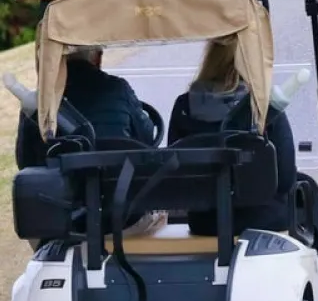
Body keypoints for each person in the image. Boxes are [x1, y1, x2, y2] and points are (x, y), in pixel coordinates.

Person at [167, 37, 296, 234]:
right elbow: (286, 178)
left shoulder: (184, 106)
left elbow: (175, 174)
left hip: (207, 223)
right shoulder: (264, 106)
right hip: (265, 221)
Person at [15, 45, 155, 169]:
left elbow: (25, 162)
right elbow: (146, 137)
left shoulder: (39, 102)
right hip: (118, 186)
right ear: (98, 58)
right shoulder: (119, 88)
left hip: (59, 194)